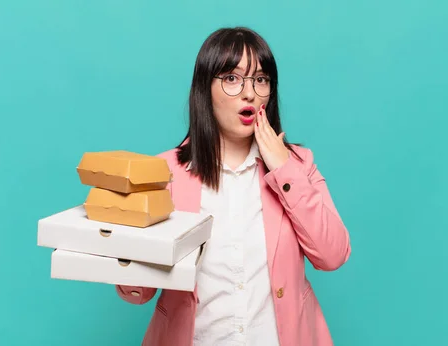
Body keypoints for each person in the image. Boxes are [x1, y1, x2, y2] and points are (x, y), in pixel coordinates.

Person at [115, 26, 351, 346]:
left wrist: (283, 168)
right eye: (231, 78)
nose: (250, 92)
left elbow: (333, 255)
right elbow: (138, 293)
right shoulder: (163, 173)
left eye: (261, 79)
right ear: (204, 88)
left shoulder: (298, 165)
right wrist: (123, 242)